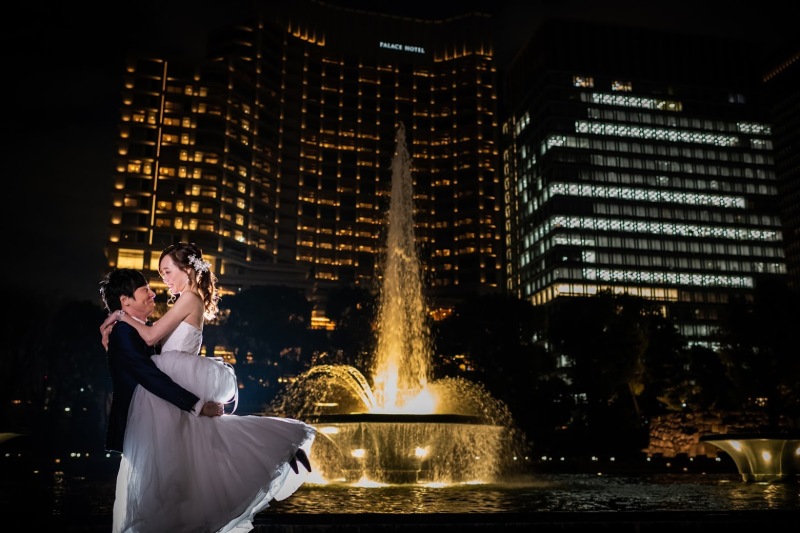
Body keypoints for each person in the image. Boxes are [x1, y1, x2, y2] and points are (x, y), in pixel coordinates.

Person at [100, 243, 316, 533]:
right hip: (169, 389)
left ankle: (277, 448)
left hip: (173, 385)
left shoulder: (187, 299)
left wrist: (120, 316)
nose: (162, 281)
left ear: (187, 270)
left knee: (196, 453)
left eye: (166, 271)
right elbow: (144, 358)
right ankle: (276, 449)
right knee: (207, 444)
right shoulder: (175, 306)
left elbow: (150, 341)